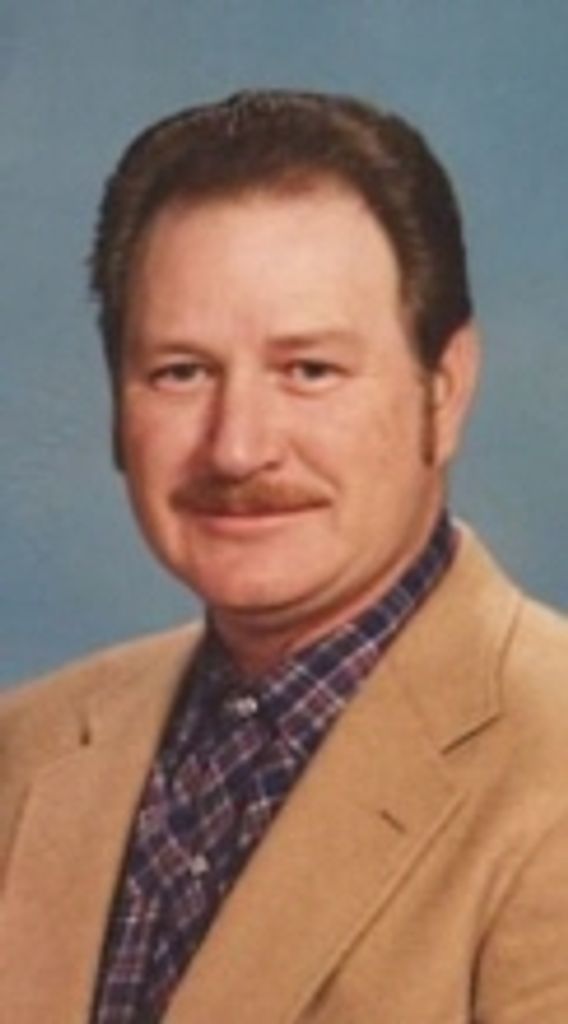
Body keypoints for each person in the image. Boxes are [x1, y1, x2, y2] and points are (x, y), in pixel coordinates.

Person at [1, 89, 567, 1024]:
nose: (237, 448)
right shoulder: (25, 748)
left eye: (309, 370)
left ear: (445, 390)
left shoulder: (550, 770)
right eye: (181, 372)